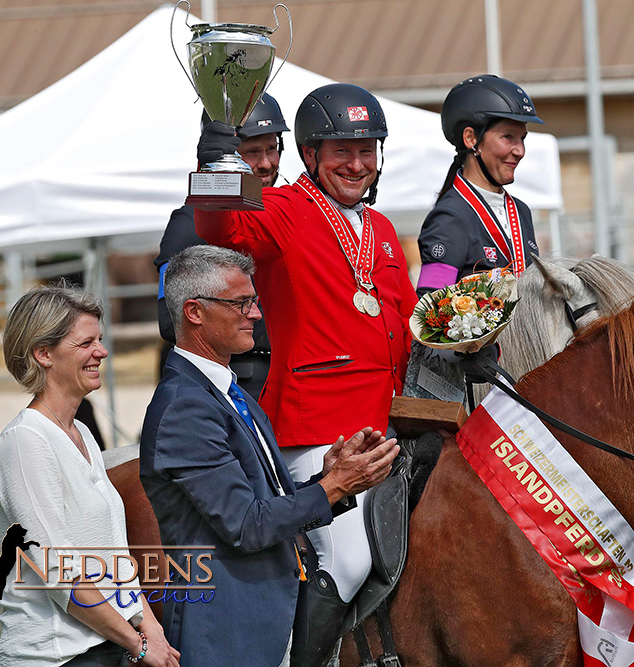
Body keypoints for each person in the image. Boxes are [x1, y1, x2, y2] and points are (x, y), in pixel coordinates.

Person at [192, 82, 417, 649]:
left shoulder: (383, 230)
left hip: (389, 421)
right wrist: (216, 149)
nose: (357, 164)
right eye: (342, 150)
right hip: (316, 426)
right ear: (311, 154)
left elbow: (405, 318)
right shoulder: (285, 209)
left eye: (367, 150)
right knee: (347, 562)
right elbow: (223, 229)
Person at [140, 245, 398, 667]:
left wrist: (325, 482)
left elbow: (264, 503)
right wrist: (333, 488)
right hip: (230, 636)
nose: (256, 314)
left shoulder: (228, 390)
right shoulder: (183, 408)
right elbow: (247, 525)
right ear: (194, 312)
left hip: (265, 626)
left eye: (254, 302)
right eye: (241, 303)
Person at [0, 283, 179, 666]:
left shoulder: (83, 435)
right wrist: (138, 643)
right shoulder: (24, 441)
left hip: (104, 646)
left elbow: (115, 556)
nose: (102, 352)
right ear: (43, 354)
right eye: (85, 343)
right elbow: (58, 572)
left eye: (100, 339)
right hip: (55, 656)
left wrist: (152, 630)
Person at [154, 93, 290, 398]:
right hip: (238, 384)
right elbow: (170, 320)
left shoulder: (286, 212)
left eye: (272, 149)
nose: (266, 163)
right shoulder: (189, 222)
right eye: (253, 152)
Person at [416, 74, 543, 296]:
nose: (520, 151)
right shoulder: (450, 216)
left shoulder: (521, 211)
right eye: (508, 137)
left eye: (522, 138)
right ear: (471, 138)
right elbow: (430, 311)